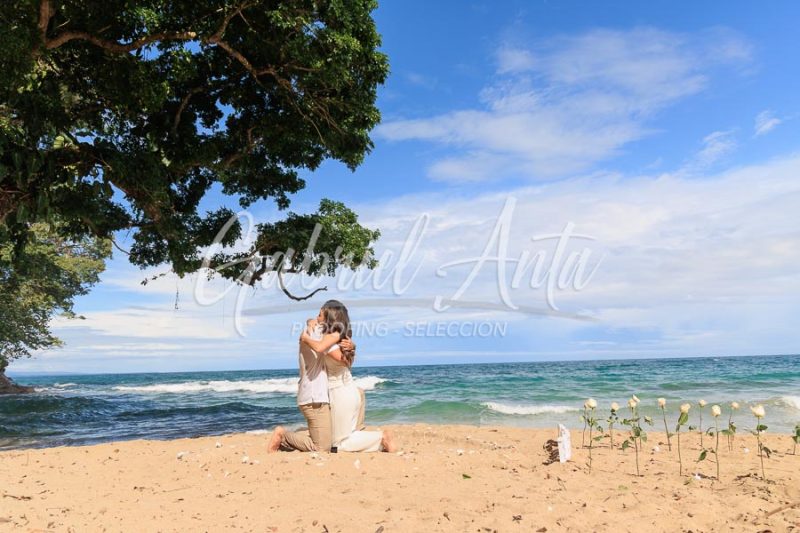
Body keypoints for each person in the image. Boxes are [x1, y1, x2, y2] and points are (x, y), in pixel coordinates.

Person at [299, 300, 395, 452]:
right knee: (345, 435)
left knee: (338, 444)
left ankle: (381, 437)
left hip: (340, 392)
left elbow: (322, 348)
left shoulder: (331, 338)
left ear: (329, 317)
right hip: (348, 389)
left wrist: (304, 338)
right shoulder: (338, 337)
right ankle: (379, 441)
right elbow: (348, 361)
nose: (316, 318)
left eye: (319, 315)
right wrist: (309, 321)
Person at [267, 317, 356, 452]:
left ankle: (292, 436)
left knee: (326, 437)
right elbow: (343, 360)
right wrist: (347, 342)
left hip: (314, 395)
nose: (317, 318)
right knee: (322, 448)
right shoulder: (317, 334)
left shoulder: (315, 332)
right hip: (315, 397)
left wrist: (351, 346)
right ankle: (282, 436)